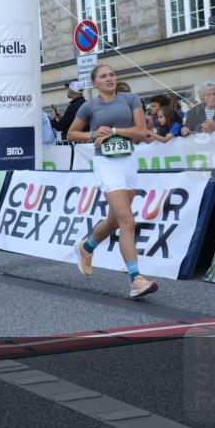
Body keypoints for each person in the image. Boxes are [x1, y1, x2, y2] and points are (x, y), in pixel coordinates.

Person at [68, 64, 158, 299]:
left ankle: (86, 247)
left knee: (115, 221)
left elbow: (141, 132)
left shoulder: (130, 99)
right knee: (127, 220)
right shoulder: (89, 106)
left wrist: (115, 130)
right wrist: (93, 134)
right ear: (94, 82)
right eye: (103, 76)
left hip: (128, 162)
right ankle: (136, 279)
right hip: (107, 165)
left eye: (112, 74)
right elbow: (71, 134)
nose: (109, 78)